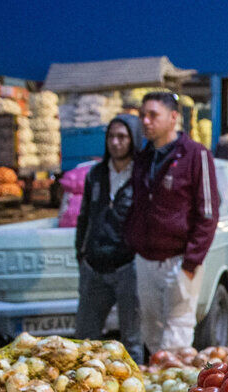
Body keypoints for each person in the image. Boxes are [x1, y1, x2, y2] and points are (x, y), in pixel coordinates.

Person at [124, 91, 221, 351]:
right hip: (146, 260)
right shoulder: (143, 159)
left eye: (153, 115)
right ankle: (160, 389)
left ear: (173, 117)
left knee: (176, 339)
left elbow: (209, 213)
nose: (146, 121)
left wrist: (190, 264)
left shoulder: (195, 154)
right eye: (143, 115)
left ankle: (178, 391)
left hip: (179, 261)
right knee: (152, 337)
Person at [75, 114, 144, 360]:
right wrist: (81, 256)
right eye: (111, 136)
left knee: (132, 341)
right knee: (83, 340)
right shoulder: (96, 174)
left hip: (128, 268)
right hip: (94, 268)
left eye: (122, 137)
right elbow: (84, 217)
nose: (115, 142)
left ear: (133, 139)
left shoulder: (142, 176)